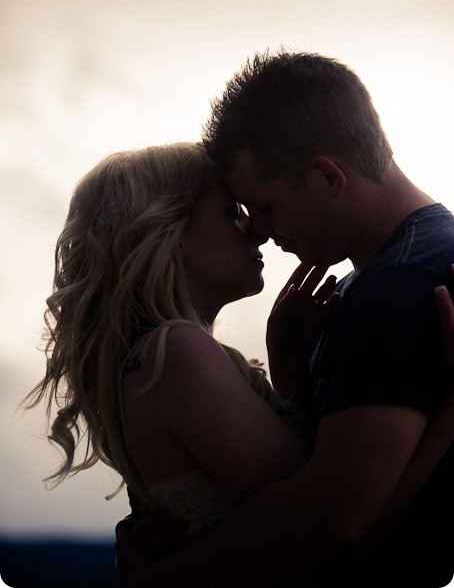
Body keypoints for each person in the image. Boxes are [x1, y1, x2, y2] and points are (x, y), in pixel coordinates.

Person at [114, 51, 454, 587]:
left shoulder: (403, 282)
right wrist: (293, 386)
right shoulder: (374, 280)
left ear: (326, 176)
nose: (261, 232)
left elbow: (338, 522)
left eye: (265, 207)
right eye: (241, 213)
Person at [21, 141, 340, 547]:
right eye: (230, 213)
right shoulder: (174, 352)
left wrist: (289, 377)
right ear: (172, 237)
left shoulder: (149, 360)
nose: (256, 231)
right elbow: (326, 519)